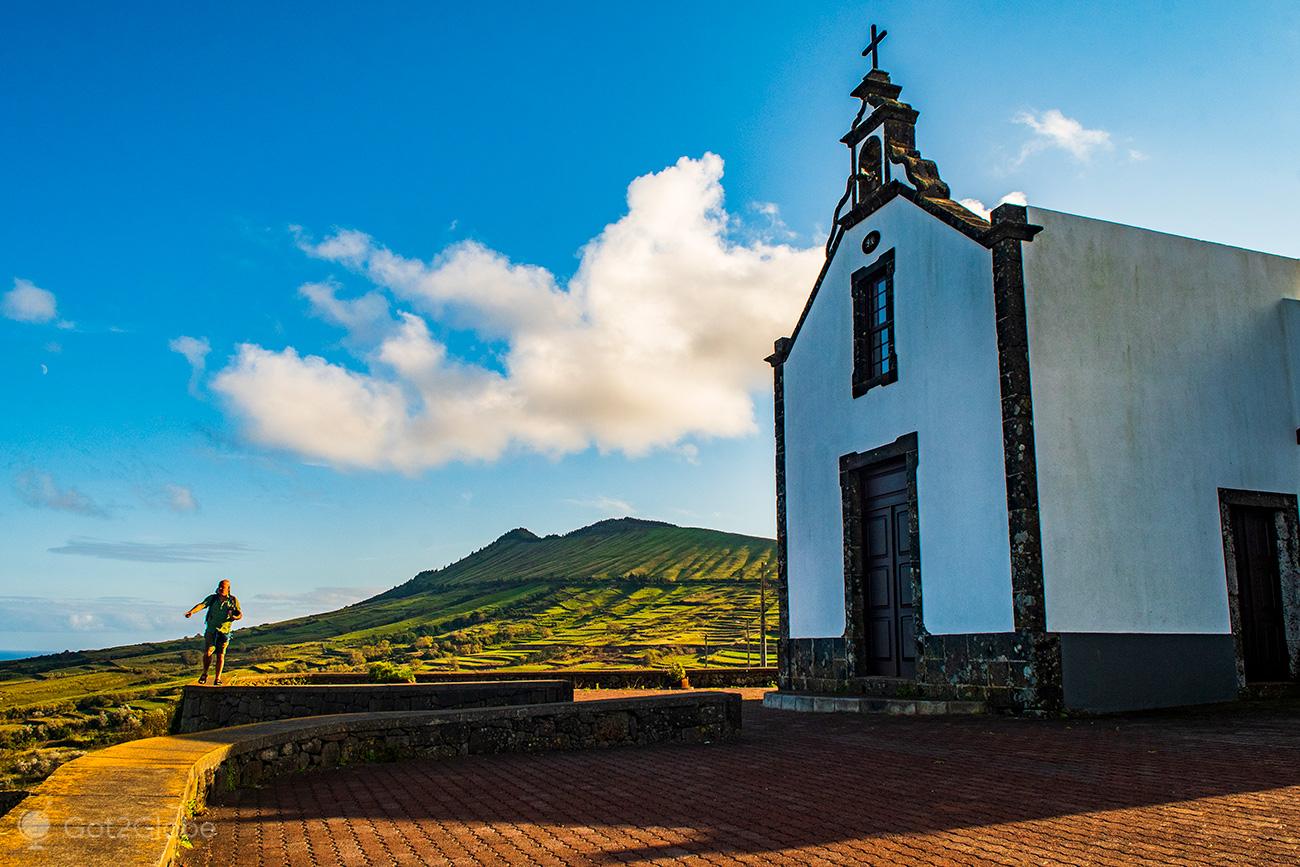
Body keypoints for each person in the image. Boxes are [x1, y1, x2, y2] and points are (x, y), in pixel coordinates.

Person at [184, 579, 243, 685]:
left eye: (223, 587)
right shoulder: (212, 598)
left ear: (228, 589)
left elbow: (239, 614)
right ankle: (205, 673)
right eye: (219, 586)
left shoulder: (233, 600)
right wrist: (191, 612)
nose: (220, 589)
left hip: (225, 631)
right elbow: (202, 605)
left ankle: (218, 678)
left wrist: (233, 616)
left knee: (221, 655)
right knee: (208, 652)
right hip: (211, 630)